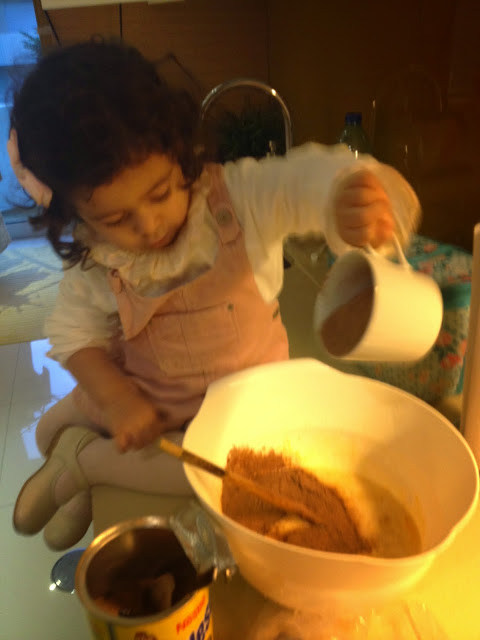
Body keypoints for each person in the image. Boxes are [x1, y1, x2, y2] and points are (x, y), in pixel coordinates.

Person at [8, 39, 420, 551]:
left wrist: (348, 198)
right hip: (155, 409)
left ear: (181, 151)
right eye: (115, 218)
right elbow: (75, 335)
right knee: (46, 431)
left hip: (244, 411)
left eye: (161, 193)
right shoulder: (100, 255)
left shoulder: (242, 198)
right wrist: (117, 400)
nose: (149, 225)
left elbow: (307, 179)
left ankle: (84, 466)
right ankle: (81, 464)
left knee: (214, 470)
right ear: (77, 215)